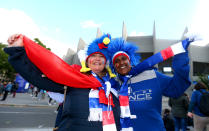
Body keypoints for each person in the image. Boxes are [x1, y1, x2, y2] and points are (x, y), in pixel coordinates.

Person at [4, 33, 121, 131]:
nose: (97, 59)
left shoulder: (116, 84)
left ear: (105, 61)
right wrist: (18, 51)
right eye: (93, 55)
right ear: (87, 60)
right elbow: (39, 75)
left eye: (101, 56)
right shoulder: (72, 76)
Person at [107, 36, 198, 131]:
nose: (121, 63)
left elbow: (177, 87)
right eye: (116, 61)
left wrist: (180, 56)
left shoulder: (151, 75)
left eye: (123, 59)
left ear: (129, 60)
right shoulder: (113, 85)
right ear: (113, 66)